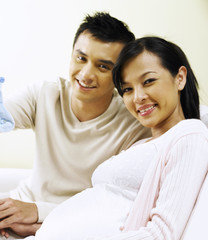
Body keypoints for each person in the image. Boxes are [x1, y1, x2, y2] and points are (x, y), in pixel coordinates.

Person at [0, 12, 150, 240]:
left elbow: (114, 204)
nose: (85, 74)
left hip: (63, 220)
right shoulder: (47, 93)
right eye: (81, 58)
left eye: (103, 66)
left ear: (119, 74)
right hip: (21, 200)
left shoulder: (132, 123)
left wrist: (39, 212)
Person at [28, 36, 208, 240]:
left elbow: (160, 235)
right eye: (127, 89)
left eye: (148, 81)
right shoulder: (142, 144)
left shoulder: (189, 135)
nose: (138, 97)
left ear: (180, 78)